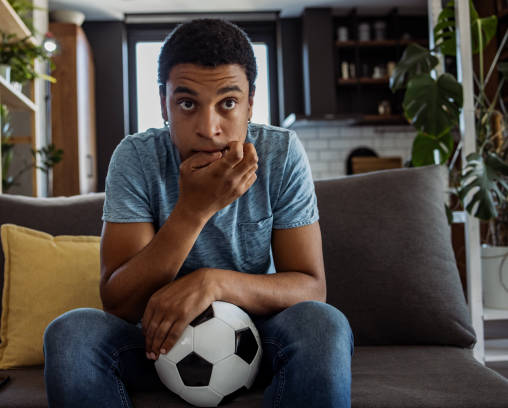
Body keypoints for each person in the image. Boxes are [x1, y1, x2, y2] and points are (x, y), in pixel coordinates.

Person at [43, 18, 353, 408]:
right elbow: (119, 303)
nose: (209, 128)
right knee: (70, 333)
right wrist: (193, 210)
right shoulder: (136, 158)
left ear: (250, 103)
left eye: (228, 103)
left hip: (254, 334)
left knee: (323, 325)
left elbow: (312, 288)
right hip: (155, 339)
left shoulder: (281, 154)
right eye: (187, 103)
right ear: (164, 104)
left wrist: (213, 283)